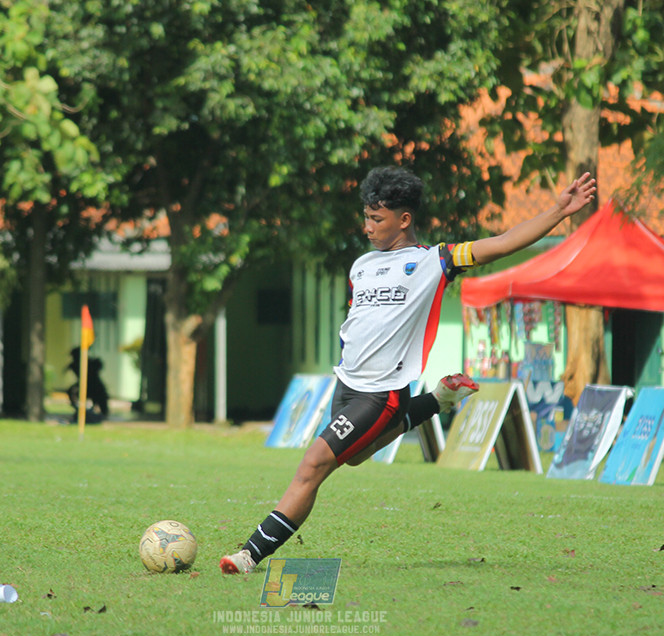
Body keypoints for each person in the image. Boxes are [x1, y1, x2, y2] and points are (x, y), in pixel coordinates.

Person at [219, 166, 596, 574]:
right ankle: (438, 400)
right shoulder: (361, 266)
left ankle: (249, 555)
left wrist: (559, 212)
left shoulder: (436, 260)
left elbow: (503, 243)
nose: (367, 227)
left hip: (383, 390)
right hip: (346, 381)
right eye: (365, 217)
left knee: (313, 464)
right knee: (356, 456)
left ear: (404, 220)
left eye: (376, 219)